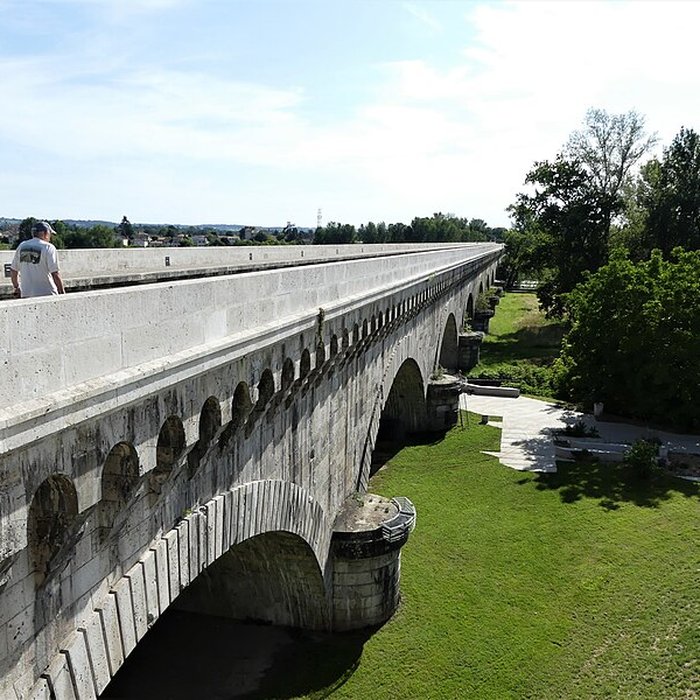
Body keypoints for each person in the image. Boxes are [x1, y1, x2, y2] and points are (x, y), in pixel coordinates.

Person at [10, 221, 66, 298]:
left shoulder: (22, 246)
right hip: (47, 294)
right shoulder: (48, 247)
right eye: (50, 234)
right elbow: (55, 274)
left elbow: (13, 271)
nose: (50, 238)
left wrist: (17, 287)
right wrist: (63, 295)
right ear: (45, 233)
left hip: (26, 295)